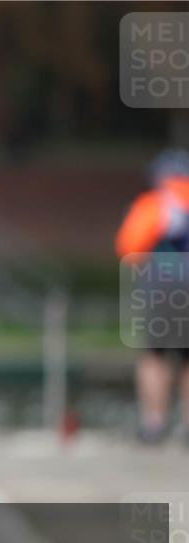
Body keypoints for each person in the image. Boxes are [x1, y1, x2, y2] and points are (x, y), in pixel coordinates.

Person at [116, 149, 189, 443]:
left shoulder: (153, 204)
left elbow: (128, 248)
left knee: (154, 355)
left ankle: (155, 424)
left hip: (161, 288)